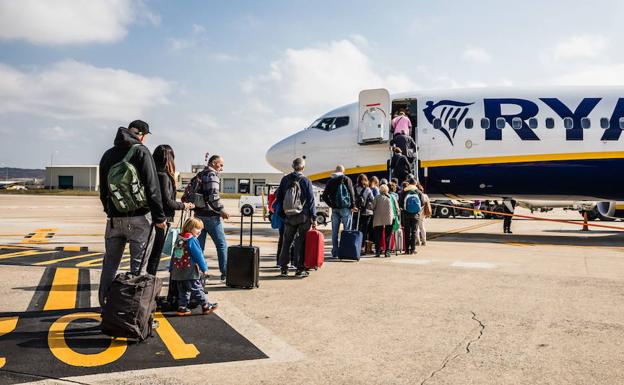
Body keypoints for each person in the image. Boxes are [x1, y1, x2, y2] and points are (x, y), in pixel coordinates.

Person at [98, 120, 167, 307]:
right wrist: (159, 217)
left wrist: (110, 210)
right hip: (139, 218)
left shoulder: (108, 154)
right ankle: (133, 313)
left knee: (109, 266)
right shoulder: (141, 151)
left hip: (114, 219)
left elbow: (103, 190)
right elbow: (152, 188)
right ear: (142, 134)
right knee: (138, 269)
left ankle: (105, 306)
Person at [146, 145, 194, 275]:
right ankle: (148, 284)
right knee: (155, 254)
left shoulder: (151, 173)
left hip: (148, 216)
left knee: (147, 253)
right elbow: (167, 202)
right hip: (161, 218)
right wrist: (184, 205)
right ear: (169, 159)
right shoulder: (163, 176)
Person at [276, 157, 316, 277]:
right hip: (303, 216)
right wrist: (313, 217)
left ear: (292, 166)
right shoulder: (306, 181)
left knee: (286, 241)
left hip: (289, 215)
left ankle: (284, 268)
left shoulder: (285, 179)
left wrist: (284, 212)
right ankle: (299, 269)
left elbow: (279, 197)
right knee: (301, 242)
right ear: (303, 167)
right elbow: (311, 200)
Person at [170, 217, 218, 316]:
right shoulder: (192, 240)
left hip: (178, 270)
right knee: (197, 289)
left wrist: (171, 267)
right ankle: (206, 306)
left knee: (183, 290)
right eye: (197, 229)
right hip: (190, 270)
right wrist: (204, 268)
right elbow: (198, 255)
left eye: (200, 229)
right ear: (190, 228)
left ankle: (182, 308)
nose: (200, 232)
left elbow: (174, 255)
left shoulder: (179, 239)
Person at [195, 155, 230, 282]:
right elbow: (213, 196)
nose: (222, 168)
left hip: (198, 216)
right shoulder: (212, 175)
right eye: (221, 165)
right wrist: (221, 210)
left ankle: (199, 275)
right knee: (221, 245)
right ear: (214, 163)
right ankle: (225, 273)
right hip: (211, 217)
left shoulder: (200, 174)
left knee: (199, 248)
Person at [321, 165, 356, 259]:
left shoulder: (331, 180)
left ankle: (335, 252)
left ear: (335, 171)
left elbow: (324, 196)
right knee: (346, 231)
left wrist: (331, 204)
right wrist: (353, 205)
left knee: (334, 232)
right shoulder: (346, 179)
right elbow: (351, 192)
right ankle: (345, 251)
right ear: (343, 171)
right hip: (345, 208)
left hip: (335, 209)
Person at [372, 184, 395, 258]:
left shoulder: (377, 197)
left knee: (378, 235)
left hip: (378, 218)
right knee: (388, 235)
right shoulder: (391, 197)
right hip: (389, 218)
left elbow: (373, 206)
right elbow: (396, 208)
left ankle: (378, 251)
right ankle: (387, 252)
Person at [399, 179, 421, 254]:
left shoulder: (404, 191)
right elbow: (423, 202)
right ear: (415, 183)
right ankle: (413, 249)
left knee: (407, 231)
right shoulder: (418, 191)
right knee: (414, 231)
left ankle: (406, 250)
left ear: (409, 183)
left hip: (406, 214)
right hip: (416, 215)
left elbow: (400, 202)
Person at [354, 174, 374, 254]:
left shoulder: (354, 188)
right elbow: (373, 200)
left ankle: (356, 245)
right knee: (365, 231)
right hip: (366, 212)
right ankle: (362, 247)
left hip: (356, 212)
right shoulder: (368, 190)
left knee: (357, 229)